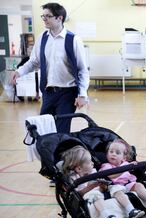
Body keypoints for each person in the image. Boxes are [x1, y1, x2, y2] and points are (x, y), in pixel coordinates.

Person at [12, 2, 89, 134]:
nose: (45, 19)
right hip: (48, 93)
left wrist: (82, 94)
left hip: (68, 93)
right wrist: (19, 72)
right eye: (43, 16)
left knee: (61, 131)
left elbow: (82, 70)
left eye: (48, 16)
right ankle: (48, 155)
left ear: (59, 18)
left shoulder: (74, 40)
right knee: (44, 130)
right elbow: (34, 62)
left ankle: (61, 154)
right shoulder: (42, 38)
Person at [61, 146, 145, 218]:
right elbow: (78, 194)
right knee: (95, 195)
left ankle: (131, 210)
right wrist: (92, 186)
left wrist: (103, 186)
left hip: (102, 192)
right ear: (79, 168)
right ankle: (107, 217)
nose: (93, 163)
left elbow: (101, 187)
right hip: (89, 197)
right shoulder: (74, 178)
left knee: (116, 188)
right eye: (90, 162)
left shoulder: (93, 171)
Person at [100, 139, 146, 212]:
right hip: (120, 187)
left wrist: (136, 166)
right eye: (111, 152)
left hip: (131, 184)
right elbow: (110, 175)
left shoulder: (126, 163)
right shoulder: (106, 166)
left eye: (117, 153)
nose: (113, 154)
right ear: (107, 154)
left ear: (124, 158)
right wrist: (124, 169)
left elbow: (137, 170)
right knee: (138, 185)